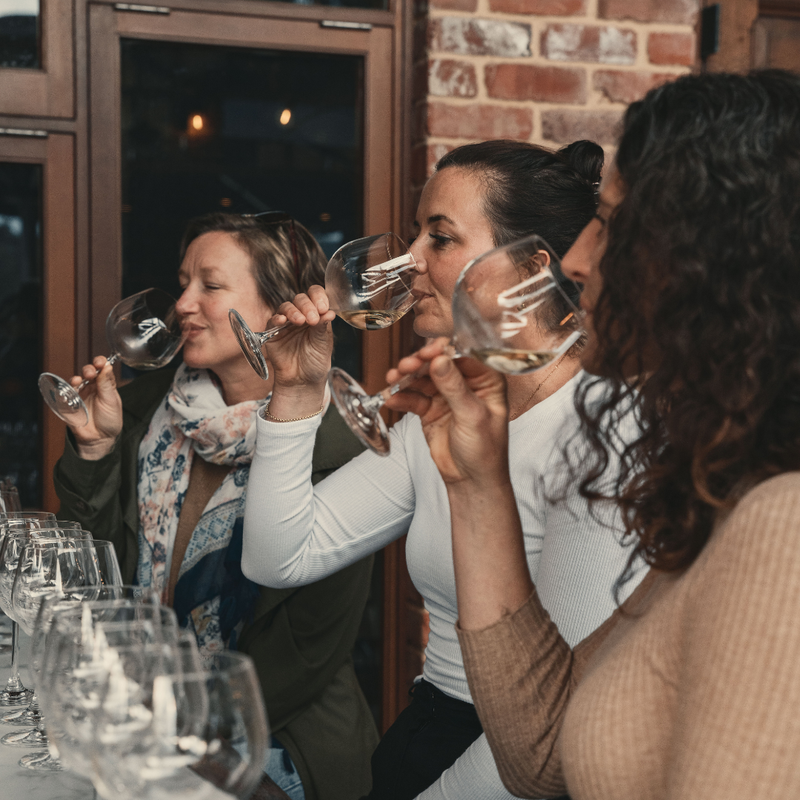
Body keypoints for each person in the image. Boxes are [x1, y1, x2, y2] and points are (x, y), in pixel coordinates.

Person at [392, 70, 800, 800]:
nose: (580, 259)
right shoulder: (729, 492)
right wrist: (477, 484)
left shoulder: (784, 527)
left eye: (610, 223)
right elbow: (543, 756)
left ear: (710, 261)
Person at [243, 140, 642, 799]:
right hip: (428, 734)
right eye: (412, 236)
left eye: (440, 238)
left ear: (530, 266)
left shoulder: (604, 429)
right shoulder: (450, 410)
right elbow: (278, 557)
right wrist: (293, 392)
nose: (409, 262)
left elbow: (574, 716)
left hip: (519, 771)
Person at [53, 212, 379, 800]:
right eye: (183, 283)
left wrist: (181, 727)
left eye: (210, 284)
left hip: (276, 741)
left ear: (278, 305)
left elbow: (311, 648)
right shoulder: (146, 407)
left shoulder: (334, 438)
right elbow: (91, 573)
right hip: (144, 716)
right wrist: (96, 448)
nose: (182, 303)